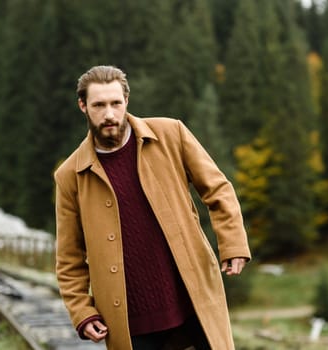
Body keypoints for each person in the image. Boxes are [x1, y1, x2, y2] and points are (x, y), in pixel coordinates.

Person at [54, 65, 251, 350]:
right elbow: (69, 258)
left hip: (192, 299)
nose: (109, 114)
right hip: (131, 321)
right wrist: (82, 311)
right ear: (83, 106)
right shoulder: (70, 175)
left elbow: (217, 188)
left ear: (126, 102)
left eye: (115, 103)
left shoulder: (172, 134)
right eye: (99, 105)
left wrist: (233, 243)